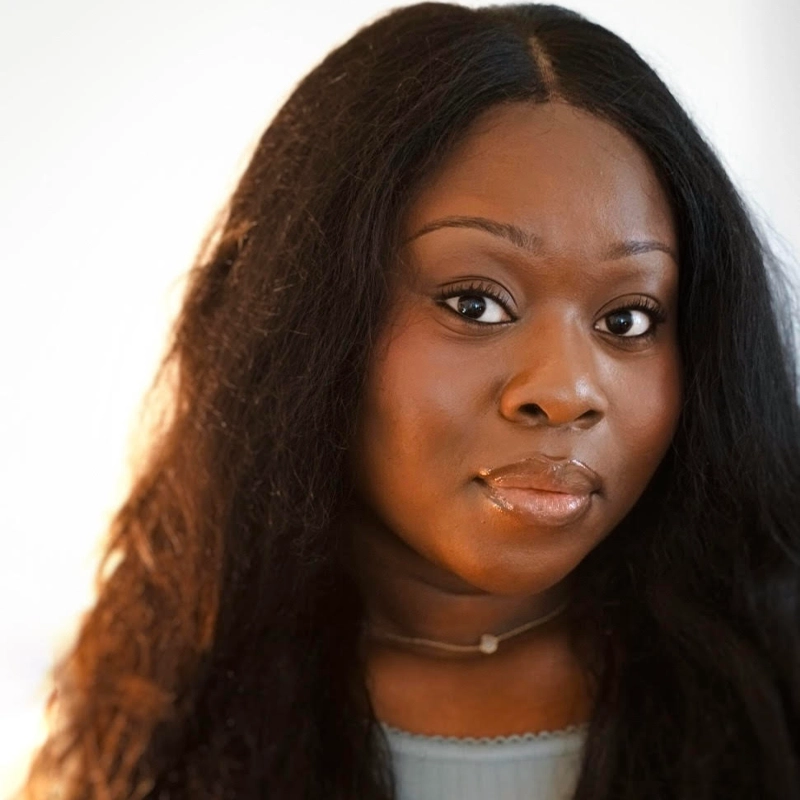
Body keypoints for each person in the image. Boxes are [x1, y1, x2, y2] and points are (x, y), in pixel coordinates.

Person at [19, 3, 800, 799]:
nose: (565, 392)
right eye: (474, 303)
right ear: (306, 322)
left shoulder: (776, 690)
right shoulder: (147, 702)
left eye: (627, 319)